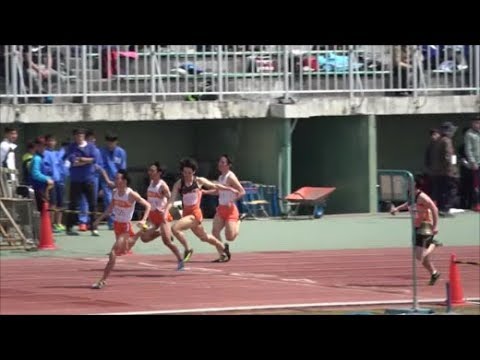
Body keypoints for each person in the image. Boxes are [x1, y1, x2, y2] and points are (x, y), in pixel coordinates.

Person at [165, 158, 238, 263]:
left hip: (195, 214)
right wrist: (166, 211)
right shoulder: (179, 184)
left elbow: (215, 186)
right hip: (186, 214)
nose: (187, 175)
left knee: (175, 229)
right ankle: (223, 247)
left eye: (189, 173)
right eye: (185, 172)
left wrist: (230, 189)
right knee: (204, 237)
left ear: (194, 172)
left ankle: (187, 249)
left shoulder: (199, 181)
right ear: (182, 171)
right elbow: (171, 200)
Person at [91, 169, 151, 289]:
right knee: (126, 248)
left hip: (125, 226)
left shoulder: (131, 194)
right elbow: (110, 209)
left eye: (118, 178)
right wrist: (98, 220)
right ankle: (140, 233)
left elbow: (148, 205)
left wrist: (143, 219)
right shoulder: (114, 192)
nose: (115, 180)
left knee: (113, 252)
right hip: (116, 225)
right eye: (115, 178)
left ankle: (102, 280)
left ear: (124, 181)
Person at [130, 162, 192, 269]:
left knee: (167, 241)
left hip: (162, 216)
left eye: (152, 170)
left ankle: (180, 260)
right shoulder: (151, 183)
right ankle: (160, 233)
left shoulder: (162, 186)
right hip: (153, 216)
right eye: (149, 170)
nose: (150, 172)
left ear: (159, 173)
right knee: (144, 238)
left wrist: (166, 211)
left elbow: (171, 199)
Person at [390, 176, 442, 286]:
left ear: (415, 184)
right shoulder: (411, 195)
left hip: (426, 226)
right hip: (416, 227)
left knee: (419, 256)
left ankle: (433, 244)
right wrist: (397, 209)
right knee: (423, 257)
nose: (407, 184)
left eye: (410, 182)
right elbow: (408, 204)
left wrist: (436, 226)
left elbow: (434, 209)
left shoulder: (422, 197)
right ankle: (434, 273)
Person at [202, 155, 246, 245]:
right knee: (215, 232)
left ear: (228, 165)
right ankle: (223, 252)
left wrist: (232, 201)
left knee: (230, 237)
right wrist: (205, 192)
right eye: (219, 162)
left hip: (230, 210)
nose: (220, 164)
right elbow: (218, 192)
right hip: (221, 209)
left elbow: (242, 192)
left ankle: (239, 220)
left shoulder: (231, 177)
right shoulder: (220, 177)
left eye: (223, 162)